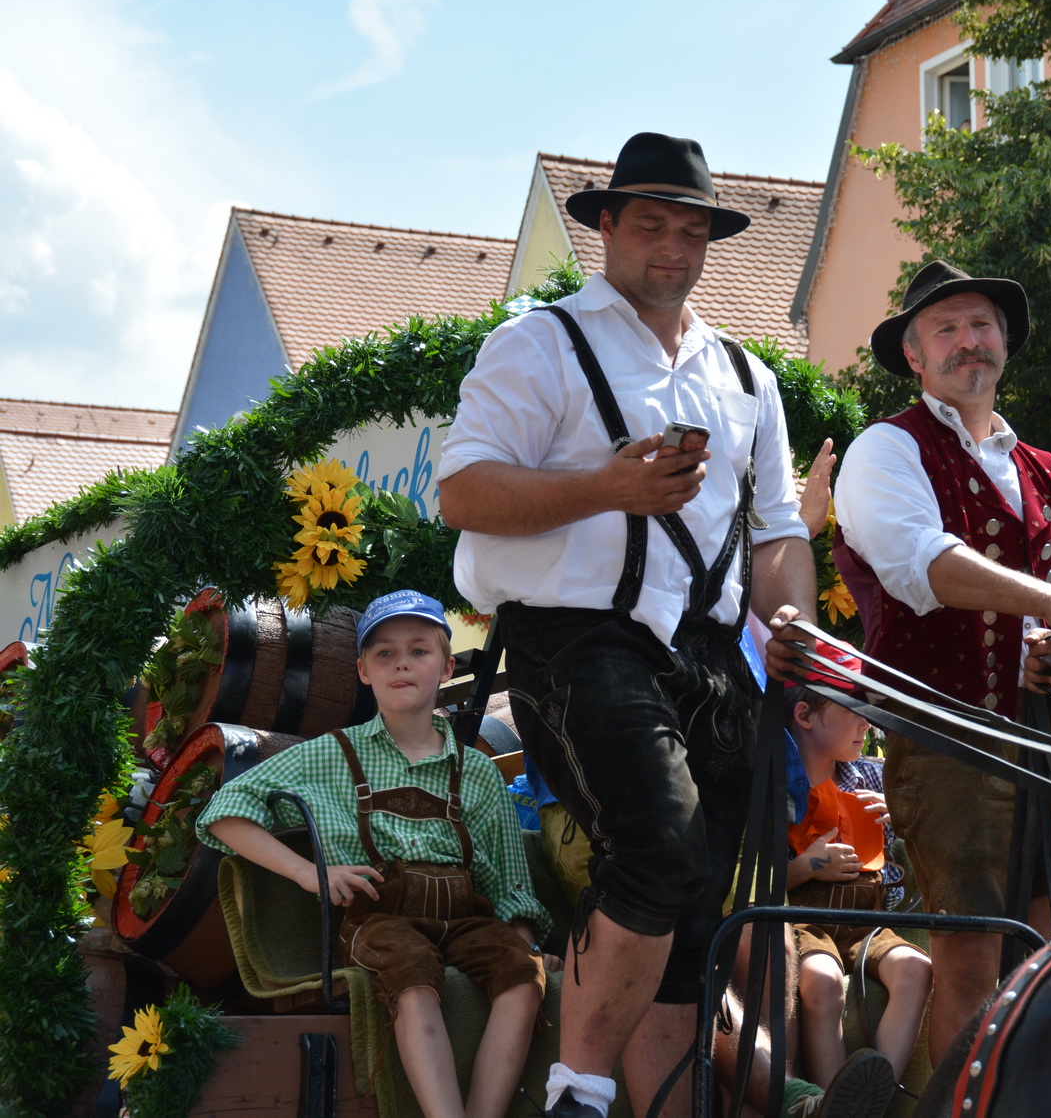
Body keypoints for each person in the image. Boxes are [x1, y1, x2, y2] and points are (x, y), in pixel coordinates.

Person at [436, 132, 851, 1118]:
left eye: (690, 229)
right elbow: (462, 490)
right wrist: (602, 487)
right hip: (577, 638)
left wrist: (788, 613)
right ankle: (575, 1092)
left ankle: (671, 1105)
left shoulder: (747, 378)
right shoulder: (539, 342)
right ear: (607, 229)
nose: (672, 246)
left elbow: (778, 531)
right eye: (652, 224)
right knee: (657, 848)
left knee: (701, 901)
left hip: (707, 655)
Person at [832, 260, 1051, 1064]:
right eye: (947, 329)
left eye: (983, 325)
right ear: (915, 357)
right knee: (971, 959)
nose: (970, 341)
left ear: (1005, 345)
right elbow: (922, 564)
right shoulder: (884, 450)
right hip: (950, 745)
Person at [198, 590, 552, 1118]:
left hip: (466, 917)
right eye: (384, 654)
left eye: (418, 650)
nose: (402, 663)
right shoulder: (332, 754)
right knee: (412, 976)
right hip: (379, 915)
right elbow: (224, 809)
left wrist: (526, 947)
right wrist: (308, 872)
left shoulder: (475, 770)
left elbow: (508, 883)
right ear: (363, 670)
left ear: (446, 665)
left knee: (523, 978)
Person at [785, 674, 931, 1092]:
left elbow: (916, 839)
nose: (868, 724)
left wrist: (899, 818)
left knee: (916, 969)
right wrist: (809, 866)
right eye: (856, 711)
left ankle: (871, 1095)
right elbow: (760, 877)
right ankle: (834, 1099)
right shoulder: (776, 787)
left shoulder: (872, 777)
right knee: (823, 980)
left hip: (868, 924)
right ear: (804, 715)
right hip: (805, 924)